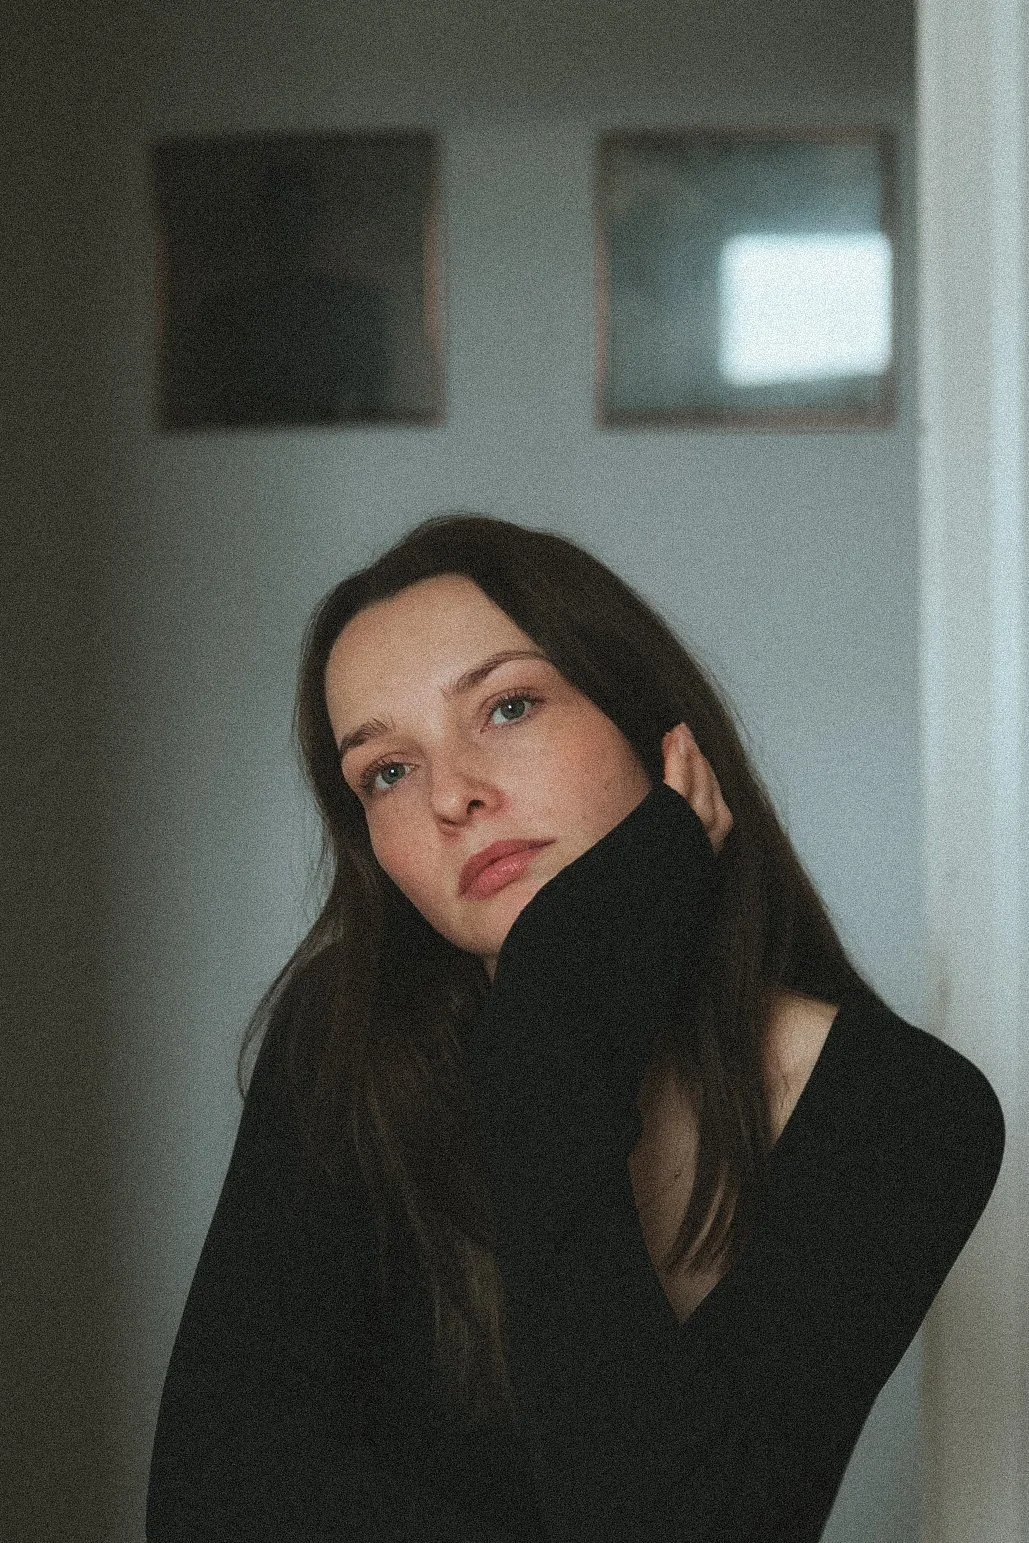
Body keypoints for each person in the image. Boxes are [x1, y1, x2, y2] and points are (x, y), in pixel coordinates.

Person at [146, 512, 1005, 1541]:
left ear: (660, 733)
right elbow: (210, 1497)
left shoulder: (903, 1115)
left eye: (507, 707)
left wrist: (542, 1046)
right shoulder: (345, 1034)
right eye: (387, 771)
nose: (453, 795)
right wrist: (560, 1004)